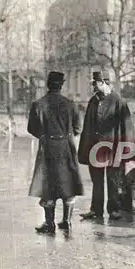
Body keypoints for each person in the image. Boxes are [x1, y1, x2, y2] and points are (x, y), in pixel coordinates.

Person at [28, 71, 84, 234]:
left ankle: (50, 223)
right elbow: (77, 128)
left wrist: (45, 136)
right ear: (61, 85)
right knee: (67, 183)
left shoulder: (38, 104)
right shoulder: (70, 104)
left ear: (48, 84)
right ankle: (66, 221)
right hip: (66, 147)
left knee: (48, 185)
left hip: (48, 148)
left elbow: (31, 128)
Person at [78, 71, 135, 220]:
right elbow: (87, 127)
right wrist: (85, 148)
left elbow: (127, 127)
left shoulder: (118, 101)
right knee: (97, 181)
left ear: (103, 82)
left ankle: (114, 209)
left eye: (94, 83)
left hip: (114, 148)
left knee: (113, 180)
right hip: (95, 149)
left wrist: (128, 149)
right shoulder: (93, 101)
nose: (92, 86)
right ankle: (96, 210)